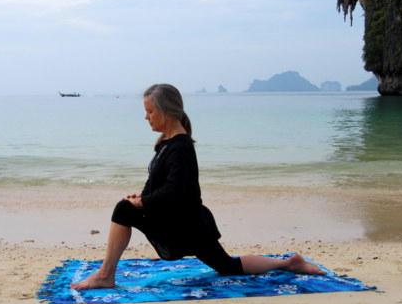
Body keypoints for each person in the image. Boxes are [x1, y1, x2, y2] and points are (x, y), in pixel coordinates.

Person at [71, 84, 324, 290]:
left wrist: (143, 203)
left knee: (123, 210)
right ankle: (289, 263)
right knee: (227, 266)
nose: (145, 117)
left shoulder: (180, 147)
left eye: (149, 111)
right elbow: (158, 183)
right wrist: (142, 197)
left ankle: (105, 275)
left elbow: (174, 192)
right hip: (180, 218)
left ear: (166, 111)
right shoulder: (166, 143)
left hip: (186, 224)